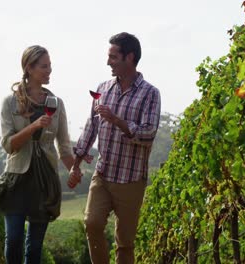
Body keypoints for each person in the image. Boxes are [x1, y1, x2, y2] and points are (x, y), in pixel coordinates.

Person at [68, 32, 161, 264]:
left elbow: (148, 133)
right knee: (92, 223)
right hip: (103, 174)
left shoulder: (150, 93)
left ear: (129, 57)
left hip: (131, 179)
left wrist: (117, 120)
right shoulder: (103, 89)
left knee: (125, 243)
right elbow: (91, 128)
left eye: (113, 57)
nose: (108, 62)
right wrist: (75, 164)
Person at [0, 45, 75, 264]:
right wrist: (33, 127)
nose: (49, 71)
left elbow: (64, 146)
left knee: (34, 249)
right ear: (29, 68)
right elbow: (8, 145)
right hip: (17, 179)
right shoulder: (9, 102)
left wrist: (74, 170)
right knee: (13, 242)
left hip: (44, 181)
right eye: (44, 66)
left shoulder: (56, 104)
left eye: (50, 66)